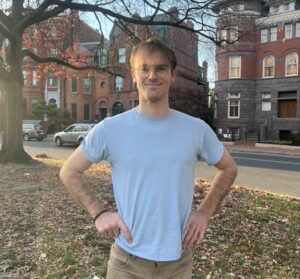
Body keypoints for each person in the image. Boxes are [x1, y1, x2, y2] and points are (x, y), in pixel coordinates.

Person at [60, 37, 238, 279]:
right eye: (144, 68)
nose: (152, 75)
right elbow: (69, 170)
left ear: (173, 74)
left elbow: (228, 168)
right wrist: (99, 213)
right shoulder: (110, 129)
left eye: (160, 68)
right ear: (133, 74)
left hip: (178, 262)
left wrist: (204, 212)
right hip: (127, 263)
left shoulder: (196, 129)